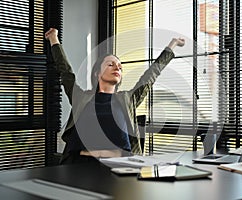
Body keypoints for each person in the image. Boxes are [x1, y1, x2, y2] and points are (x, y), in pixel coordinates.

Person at [45, 28, 185, 164]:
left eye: (119, 66)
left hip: (119, 167)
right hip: (79, 166)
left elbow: (151, 75)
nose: (117, 68)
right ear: (96, 73)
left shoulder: (128, 99)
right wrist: (53, 39)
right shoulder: (81, 97)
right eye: (110, 64)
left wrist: (172, 45)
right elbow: (65, 72)